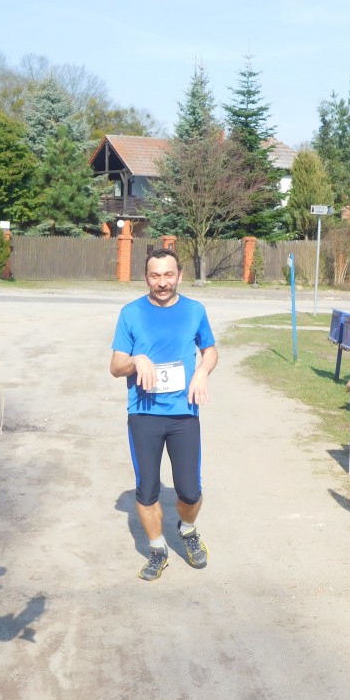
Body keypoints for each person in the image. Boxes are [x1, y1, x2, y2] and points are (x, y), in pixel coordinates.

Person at [110, 248, 218, 581]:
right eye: (155, 276)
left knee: (190, 491)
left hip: (184, 413)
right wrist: (136, 360)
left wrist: (202, 372)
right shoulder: (131, 313)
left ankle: (187, 529)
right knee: (146, 490)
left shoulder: (195, 310)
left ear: (179, 276)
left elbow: (210, 351)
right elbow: (116, 366)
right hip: (144, 413)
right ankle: (158, 550)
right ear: (146, 278)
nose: (162, 283)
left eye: (168, 275)